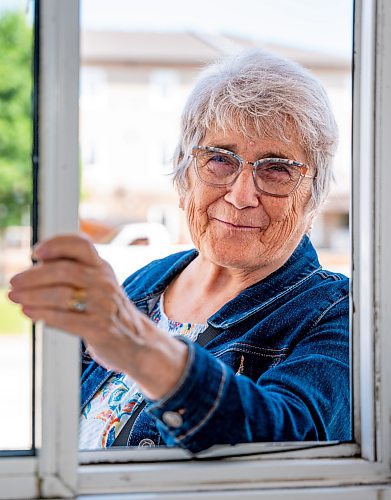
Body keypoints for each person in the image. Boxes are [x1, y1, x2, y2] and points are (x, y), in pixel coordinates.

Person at [8, 50, 350, 453]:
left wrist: (142, 349)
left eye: (276, 169)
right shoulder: (149, 281)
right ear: (185, 172)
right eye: (220, 160)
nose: (241, 196)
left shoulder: (338, 312)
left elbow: (289, 438)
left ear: (315, 193)